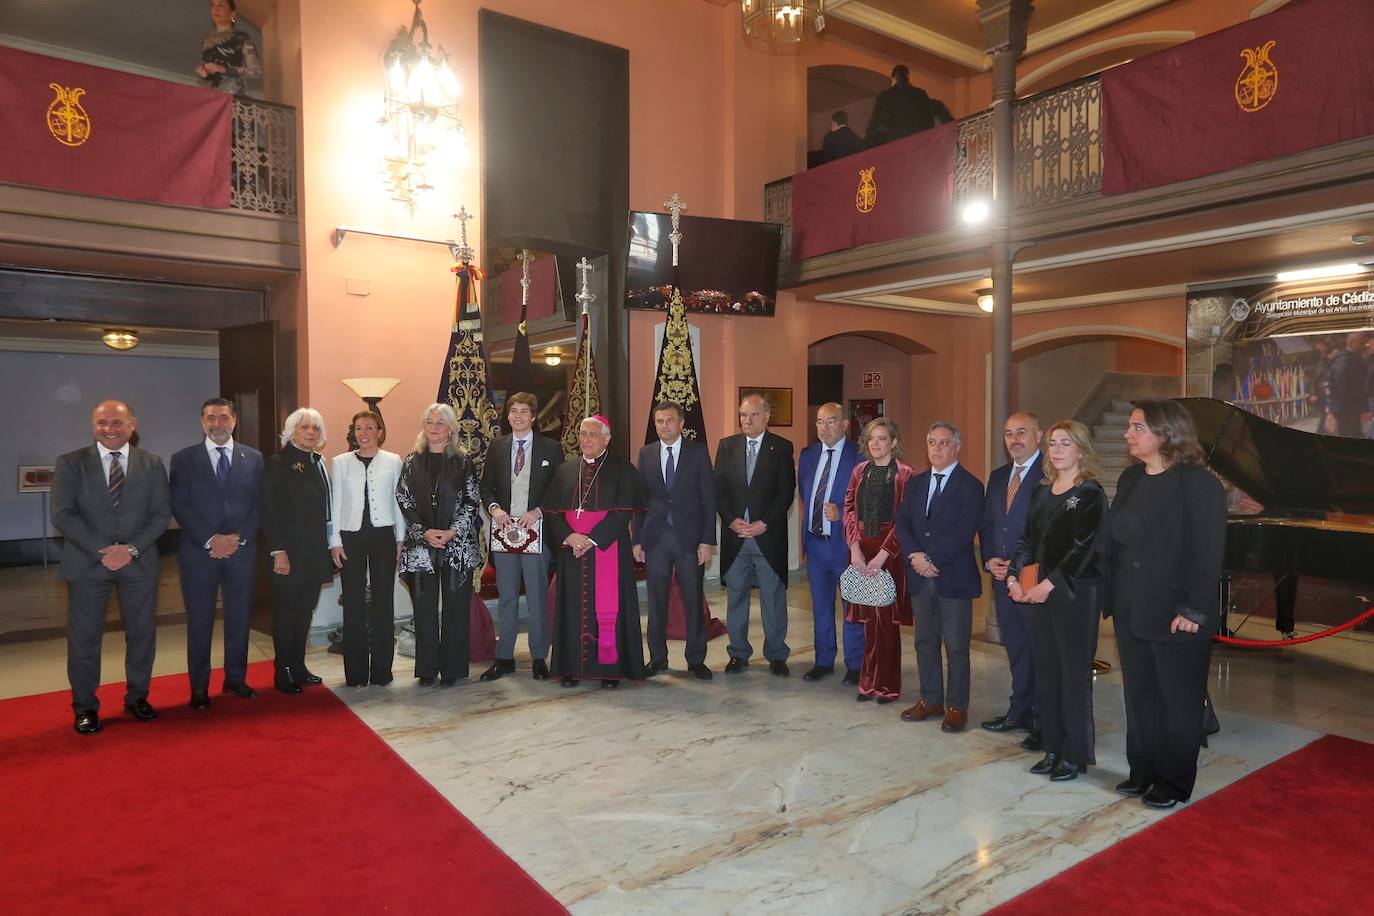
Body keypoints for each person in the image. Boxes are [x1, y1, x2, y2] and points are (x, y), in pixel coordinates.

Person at [1109, 400, 1227, 809]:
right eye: (1129, 426)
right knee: (1139, 696)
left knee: (1177, 701)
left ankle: (1174, 782)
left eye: (1137, 427)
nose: (1128, 434)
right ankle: (1142, 770)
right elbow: (1117, 542)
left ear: (1166, 432)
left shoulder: (1198, 483)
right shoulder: (1130, 479)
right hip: (1131, 608)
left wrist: (1194, 609)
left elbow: (1208, 553)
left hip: (1177, 613)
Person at [52, 400, 171, 734]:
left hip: (139, 563)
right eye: (102, 423)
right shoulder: (71, 463)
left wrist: (130, 549)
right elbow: (62, 514)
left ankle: (137, 698)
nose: (109, 429)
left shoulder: (152, 463)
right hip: (88, 565)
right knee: (84, 640)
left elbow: (161, 513)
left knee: (142, 637)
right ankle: (85, 707)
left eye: (117, 422)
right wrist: (101, 551)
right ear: (93, 426)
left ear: (132, 425)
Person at [1008, 421, 1108, 782]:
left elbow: (1085, 549)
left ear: (1081, 449)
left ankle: (1074, 755)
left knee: (1073, 675)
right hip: (1039, 594)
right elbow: (1026, 541)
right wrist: (1014, 576)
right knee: (1047, 671)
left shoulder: (1091, 493)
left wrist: (1048, 584)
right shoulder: (1042, 490)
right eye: (1053, 443)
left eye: (1066, 443)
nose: (1057, 449)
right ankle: (1052, 746)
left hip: (1074, 595)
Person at [169, 397, 263, 710]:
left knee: (238, 619)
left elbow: (258, 505)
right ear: (202, 422)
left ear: (234, 420)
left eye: (223, 417)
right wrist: (211, 539)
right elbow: (179, 504)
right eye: (211, 418)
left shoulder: (254, 458)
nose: (217, 424)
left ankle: (235, 679)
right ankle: (199, 688)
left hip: (241, 551)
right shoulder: (183, 459)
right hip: (199, 554)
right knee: (200, 622)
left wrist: (238, 538)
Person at [542, 416, 646, 687]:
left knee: (609, 608)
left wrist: (590, 540)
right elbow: (552, 512)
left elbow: (622, 513)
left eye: (592, 434)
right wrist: (569, 536)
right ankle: (572, 669)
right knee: (572, 608)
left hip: (607, 548)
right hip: (572, 551)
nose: (585, 439)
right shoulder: (566, 470)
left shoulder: (623, 470)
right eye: (582, 433)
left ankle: (609, 671)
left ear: (607, 438)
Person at [896, 421, 984, 733]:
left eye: (944, 443)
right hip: (921, 577)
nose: (937, 448)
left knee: (957, 646)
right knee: (924, 641)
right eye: (932, 442)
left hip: (954, 578)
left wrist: (931, 558)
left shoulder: (971, 486)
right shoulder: (916, 483)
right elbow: (903, 524)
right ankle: (930, 698)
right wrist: (914, 557)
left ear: (957, 447)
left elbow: (964, 532)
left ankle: (957, 706)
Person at [478, 392, 563, 681]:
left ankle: (540, 656)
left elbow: (559, 487)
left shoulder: (551, 448)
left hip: (536, 531)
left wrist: (539, 511)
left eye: (524, 411)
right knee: (507, 596)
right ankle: (504, 657)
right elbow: (485, 486)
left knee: (538, 596)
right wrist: (494, 509)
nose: (517, 416)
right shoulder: (498, 447)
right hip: (504, 533)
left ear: (534, 416)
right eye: (513, 411)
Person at [397, 403, 483, 686]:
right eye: (430, 422)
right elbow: (404, 499)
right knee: (423, 609)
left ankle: (453, 669)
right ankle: (427, 669)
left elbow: (472, 500)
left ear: (450, 429)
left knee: (455, 609)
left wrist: (451, 532)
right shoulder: (411, 461)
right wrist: (423, 531)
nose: (434, 428)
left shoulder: (462, 460)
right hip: (421, 547)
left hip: (456, 547)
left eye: (440, 423)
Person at [633, 402, 716, 680]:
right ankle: (657, 658)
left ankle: (696, 659)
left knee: (692, 599)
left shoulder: (698, 452)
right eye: (659, 421)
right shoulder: (646, 454)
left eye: (669, 420)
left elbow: (709, 498)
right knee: (656, 601)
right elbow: (640, 501)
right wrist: (637, 540)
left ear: (681, 423)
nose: (664, 425)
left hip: (689, 539)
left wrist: (707, 540)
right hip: (656, 539)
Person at [715, 393, 797, 676]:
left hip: (767, 536)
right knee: (736, 596)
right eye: (742, 415)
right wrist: (731, 520)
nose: (746, 420)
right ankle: (738, 654)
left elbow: (786, 492)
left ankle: (776, 654)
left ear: (766, 416)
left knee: (773, 597)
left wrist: (764, 522)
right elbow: (719, 491)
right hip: (736, 537)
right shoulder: (727, 446)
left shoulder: (782, 447)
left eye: (752, 415)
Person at [978, 412, 1045, 749]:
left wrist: (1018, 568)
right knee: (1016, 648)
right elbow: (989, 525)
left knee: (1039, 650)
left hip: (1033, 580)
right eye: (1008, 433)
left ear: (1038, 435)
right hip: (1001, 579)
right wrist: (989, 558)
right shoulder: (999, 476)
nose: (1014, 439)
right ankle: (1019, 710)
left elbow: (1044, 534)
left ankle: (1042, 720)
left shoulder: (1049, 476)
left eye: (1022, 432)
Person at [842, 418, 916, 703]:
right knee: (868, 621)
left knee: (886, 622)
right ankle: (868, 681)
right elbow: (849, 509)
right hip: (862, 550)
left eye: (882, 438)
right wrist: (855, 548)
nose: (876, 443)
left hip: (890, 552)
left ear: (893, 442)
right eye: (872, 438)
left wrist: (885, 554)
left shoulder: (905, 474)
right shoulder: (859, 471)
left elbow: (906, 519)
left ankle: (887, 685)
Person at [261, 408, 334, 694]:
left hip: (314, 552)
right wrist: (278, 551)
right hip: (288, 554)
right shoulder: (278, 463)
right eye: (304, 427)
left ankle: (299, 666)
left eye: (315, 428)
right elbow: (270, 510)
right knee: (286, 614)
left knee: (305, 612)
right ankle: (283, 670)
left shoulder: (317, 462)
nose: (310, 433)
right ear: (292, 431)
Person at [330, 410, 405, 687]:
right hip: (351, 538)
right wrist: (334, 541)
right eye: (359, 428)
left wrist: (401, 538)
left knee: (384, 603)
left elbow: (398, 501)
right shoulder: (340, 463)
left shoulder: (393, 461)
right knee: (353, 603)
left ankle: (382, 672)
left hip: (384, 536)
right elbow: (335, 503)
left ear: (379, 431)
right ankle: (356, 673)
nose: (364, 433)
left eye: (370, 428)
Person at [797, 402, 863, 683]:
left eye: (831, 421)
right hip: (815, 544)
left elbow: (868, 501)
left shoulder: (859, 456)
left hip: (845, 546)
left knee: (852, 607)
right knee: (821, 606)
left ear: (845, 425)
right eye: (820, 423)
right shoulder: (808, 455)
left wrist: (843, 512)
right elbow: (805, 493)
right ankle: (823, 660)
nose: (824, 428)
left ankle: (855, 664)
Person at [864, 64, 950, 148]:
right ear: (894, 77)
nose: (901, 77)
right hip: (895, 139)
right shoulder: (885, 96)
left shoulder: (920, 93)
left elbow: (927, 118)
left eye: (903, 74)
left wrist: (925, 137)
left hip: (916, 138)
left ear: (907, 76)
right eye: (898, 74)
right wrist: (867, 141)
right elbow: (874, 119)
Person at [196, 0, 261, 96]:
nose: (215, 8)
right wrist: (203, 71)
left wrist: (223, 69)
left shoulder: (242, 37)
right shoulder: (207, 40)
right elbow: (208, 69)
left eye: (221, 5)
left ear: (232, 13)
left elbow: (255, 71)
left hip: (238, 98)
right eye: (212, 5)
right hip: (217, 99)